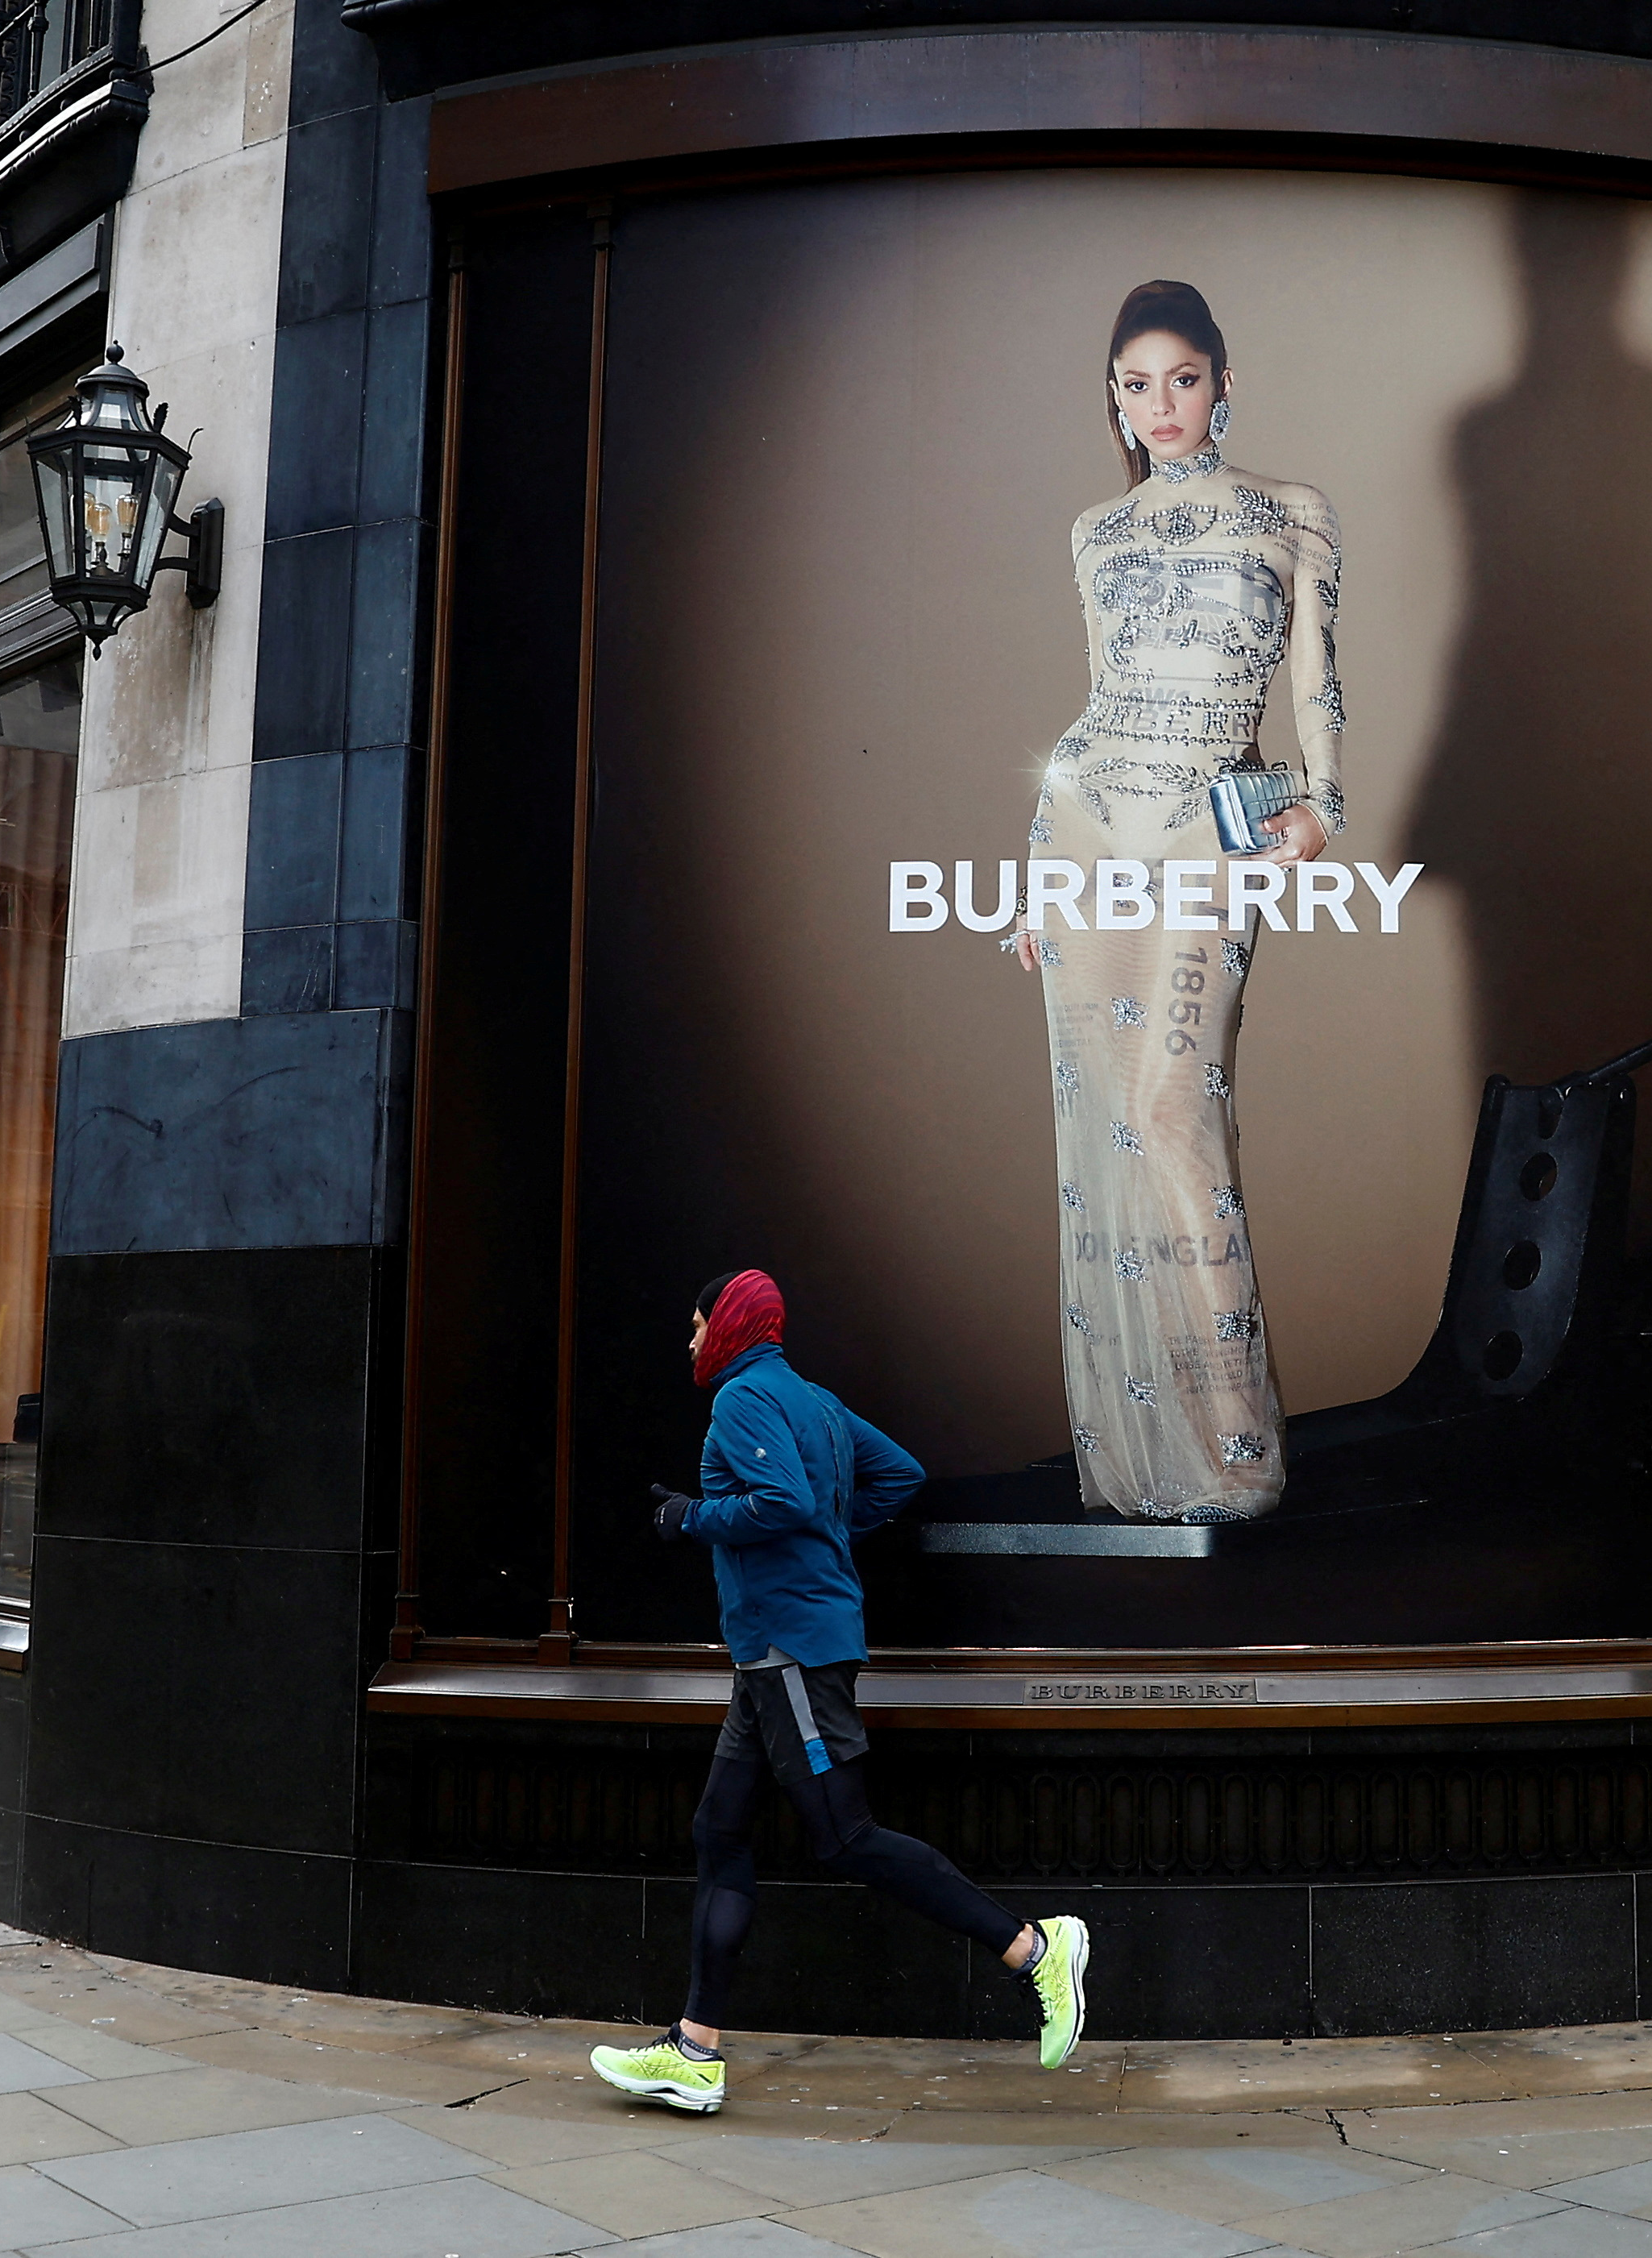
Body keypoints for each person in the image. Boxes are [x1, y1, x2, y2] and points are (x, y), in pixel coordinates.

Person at [589, 1270, 1091, 2115]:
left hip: (789, 1654)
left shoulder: (742, 1401)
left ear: (730, 1327)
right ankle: (694, 2051)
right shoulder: (813, 1399)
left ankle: (1032, 1948)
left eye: (696, 1323)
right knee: (719, 1831)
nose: (688, 1340)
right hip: (774, 1657)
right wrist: (829, 1537)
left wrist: (689, 1518)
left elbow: (780, 1501)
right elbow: (899, 1473)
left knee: (845, 1838)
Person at [1014, 278, 1343, 1523]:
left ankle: (1236, 1456)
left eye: (1183, 377)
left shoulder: (1289, 514)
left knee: (1170, 1109)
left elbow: (1316, 685)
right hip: (1088, 829)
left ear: (1224, 381)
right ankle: (1137, 1466)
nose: (1161, 404)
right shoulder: (1093, 534)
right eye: (1135, 383)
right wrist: (1040, 862)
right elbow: (1097, 707)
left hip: (1215, 824)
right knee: (1106, 1123)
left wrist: (1323, 806)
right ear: (1114, 397)